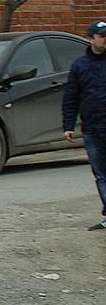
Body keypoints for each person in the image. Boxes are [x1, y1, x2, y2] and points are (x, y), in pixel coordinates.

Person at [62, 19, 106, 231]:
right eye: (102, 36)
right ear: (91, 38)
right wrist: (68, 125)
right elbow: (71, 97)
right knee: (101, 174)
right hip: (92, 128)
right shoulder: (80, 65)